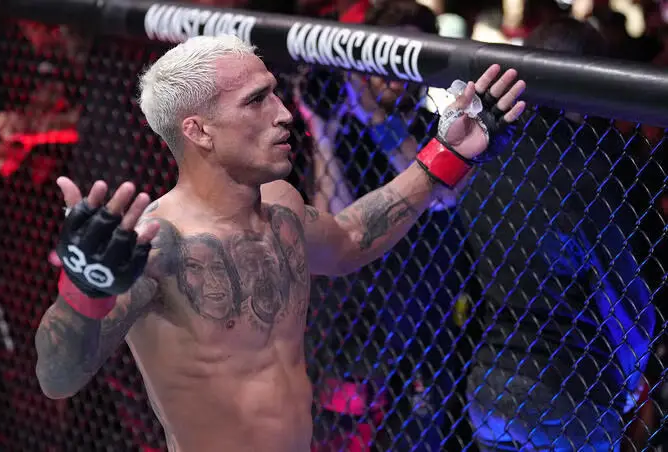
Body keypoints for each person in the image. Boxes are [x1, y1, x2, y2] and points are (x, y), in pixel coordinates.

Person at [33, 34, 526, 452]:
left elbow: (351, 237)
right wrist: (83, 289)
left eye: (276, 94)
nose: (285, 113)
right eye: (257, 100)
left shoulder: (281, 206)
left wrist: (445, 155)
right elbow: (57, 378)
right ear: (198, 131)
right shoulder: (158, 244)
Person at [460, 17, 656, 452]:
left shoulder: (485, 151)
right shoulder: (599, 162)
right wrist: (628, 383)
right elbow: (628, 299)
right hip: (571, 388)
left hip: (491, 379)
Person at [297, 2, 477, 450]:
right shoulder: (347, 125)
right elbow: (331, 213)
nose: (395, 77)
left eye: (408, 62)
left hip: (429, 306)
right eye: (387, 61)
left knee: (429, 431)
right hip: (365, 307)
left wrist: (378, 119)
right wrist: (322, 129)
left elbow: (440, 191)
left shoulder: (441, 126)